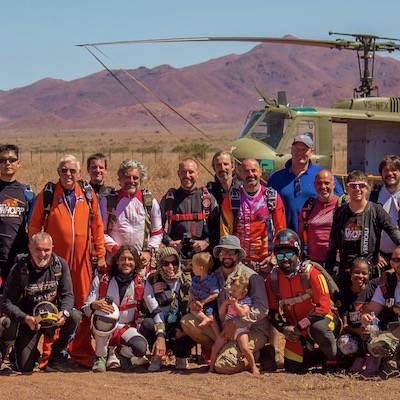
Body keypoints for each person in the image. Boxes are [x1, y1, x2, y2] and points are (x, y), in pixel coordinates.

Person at [29, 154, 106, 367]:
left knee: (82, 307)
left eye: (72, 170)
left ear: (79, 173)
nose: (68, 174)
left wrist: (100, 255)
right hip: (54, 264)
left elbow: (97, 227)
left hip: (82, 263)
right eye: (64, 170)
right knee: (52, 306)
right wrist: (38, 254)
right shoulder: (48, 195)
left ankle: (81, 352)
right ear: (58, 172)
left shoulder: (88, 195)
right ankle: (49, 355)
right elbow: (35, 226)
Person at [181, 235, 269, 374]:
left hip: (250, 330)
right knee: (187, 321)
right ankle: (223, 352)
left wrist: (238, 323)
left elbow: (262, 309)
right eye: (223, 252)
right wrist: (196, 304)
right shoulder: (215, 276)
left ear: (238, 255)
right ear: (218, 255)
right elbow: (205, 296)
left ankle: (253, 357)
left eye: (231, 252)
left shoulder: (252, 277)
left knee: (223, 366)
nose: (227, 256)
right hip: (224, 328)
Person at [1, 232, 81, 372]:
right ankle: (17, 353)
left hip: (53, 317)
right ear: (30, 248)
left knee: (74, 315)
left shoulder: (59, 264)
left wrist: (64, 312)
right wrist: (25, 318)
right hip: (30, 321)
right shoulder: (21, 267)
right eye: (38, 249)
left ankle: (56, 357)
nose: (42, 254)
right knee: (25, 367)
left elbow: (68, 295)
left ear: (52, 248)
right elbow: (6, 302)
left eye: (46, 250)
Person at [265, 229, 340, 373]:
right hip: (295, 330)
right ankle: (316, 356)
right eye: (280, 255)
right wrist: (285, 328)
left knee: (319, 329)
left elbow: (323, 308)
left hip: (322, 321)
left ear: (297, 253)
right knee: (293, 368)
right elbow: (272, 312)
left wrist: (299, 327)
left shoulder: (311, 273)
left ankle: (333, 360)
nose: (284, 259)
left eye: (288, 254)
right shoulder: (272, 279)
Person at [82, 245, 149, 372]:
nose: (126, 262)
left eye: (130, 259)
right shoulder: (101, 280)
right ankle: (100, 356)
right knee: (106, 312)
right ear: (117, 260)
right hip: (103, 327)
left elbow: (152, 308)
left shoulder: (140, 282)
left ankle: (121, 353)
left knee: (141, 348)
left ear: (135, 262)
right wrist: (94, 305)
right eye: (123, 258)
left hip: (126, 328)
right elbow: (85, 309)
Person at [326, 170, 400, 280]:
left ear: (367, 188)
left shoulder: (376, 210)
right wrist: (328, 272)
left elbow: (394, 233)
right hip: (346, 273)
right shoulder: (340, 212)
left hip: (369, 274)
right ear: (347, 188)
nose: (357, 189)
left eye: (361, 185)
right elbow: (332, 245)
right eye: (353, 185)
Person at [267, 133, 343, 232]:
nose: (300, 153)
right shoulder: (276, 177)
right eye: (297, 149)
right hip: (285, 238)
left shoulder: (323, 175)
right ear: (291, 150)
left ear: (311, 152)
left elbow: (340, 201)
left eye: (304, 150)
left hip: (313, 237)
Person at [220, 158, 286, 272]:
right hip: (240, 263)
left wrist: (273, 259)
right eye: (246, 171)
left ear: (260, 172)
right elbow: (225, 234)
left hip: (266, 263)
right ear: (240, 174)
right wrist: (230, 260)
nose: (251, 174)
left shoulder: (272, 198)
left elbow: (281, 232)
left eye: (254, 170)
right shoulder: (231, 199)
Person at [101, 159, 162, 268]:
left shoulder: (149, 201)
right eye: (127, 177)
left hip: (141, 260)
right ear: (120, 179)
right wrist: (115, 250)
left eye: (135, 178)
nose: (131, 181)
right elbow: (102, 232)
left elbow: (157, 232)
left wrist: (149, 252)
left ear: (141, 180)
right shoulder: (107, 201)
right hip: (116, 260)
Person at [160, 158, 219, 269]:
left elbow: (218, 228)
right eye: (183, 172)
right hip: (175, 258)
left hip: (202, 257)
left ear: (197, 174)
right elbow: (157, 228)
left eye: (191, 172)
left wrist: (206, 242)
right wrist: (169, 242)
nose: (187, 175)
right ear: (178, 174)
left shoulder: (207, 199)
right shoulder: (169, 199)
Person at [141, 247, 194, 371]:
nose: (171, 267)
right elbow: (149, 308)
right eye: (166, 263)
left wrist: (185, 331)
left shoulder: (187, 280)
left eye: (174, 263)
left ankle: (181, 356)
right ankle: (157, 356)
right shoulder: (152, 279)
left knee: (188, 323)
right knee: (147, 324)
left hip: (178, 324)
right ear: (160, 264)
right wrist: (160, 334)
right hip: (159, 322)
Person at [361, 246, 400, 378]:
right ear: (392, 263)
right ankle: (389, 362)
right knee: (375, 345)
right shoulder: (387, 283)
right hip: (396, 331)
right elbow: (371, 309)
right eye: (397, 260)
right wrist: (366, 316)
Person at [335, 257, 378, 375]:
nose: (360, 276)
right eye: (357, 272)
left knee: (374, 333)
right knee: (344, 342)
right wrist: (358, 331)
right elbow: (345, 326)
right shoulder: (344, 294)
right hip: (354, 333)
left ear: (369, 275)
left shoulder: (373, 289)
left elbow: (390, 275)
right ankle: (357, 358)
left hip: (372, 332)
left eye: (364, 273)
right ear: (350, 273)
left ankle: (375, 358)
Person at [209, 275, 259, 375]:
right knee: (215, 347)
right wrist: (225, 303)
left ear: (244, 292)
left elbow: (243, 313)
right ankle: (211, 367)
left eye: (235, 291)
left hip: (241, 329)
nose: (232, 293)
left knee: (244, 348)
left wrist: (235, 304)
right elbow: (221, 313)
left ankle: (254, 367)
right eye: (231, 290)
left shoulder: (246, 301)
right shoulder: (230, 299)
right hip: (227, 329)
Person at [0, 144, 34, 286]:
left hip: (18, 257)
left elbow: (33, 225)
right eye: (2, 160)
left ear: (18, 164)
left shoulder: (27, 193)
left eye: (12, 160)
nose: (7, 163)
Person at [298, 170, 346, 264]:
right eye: (319, 183)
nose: (323, 187)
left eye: (327, 183)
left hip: (336, 262)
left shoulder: (342, 205)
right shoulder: (308, 206)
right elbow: (300, 236)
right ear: (315, 185)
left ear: (334, 184)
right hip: (313, 261)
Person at [369, 155, 400, 268]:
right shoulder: (373, 196)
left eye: (394, 170)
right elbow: (367, 227)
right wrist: (374, 253)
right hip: (378, 258)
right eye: (386, 170)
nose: (390, 173)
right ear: (381, 173)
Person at [189, 252, 219, 336]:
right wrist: (192, 299)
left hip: (208, 303)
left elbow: (215, 294)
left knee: (211, 317)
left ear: (201, 268)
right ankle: (204, 318)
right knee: (192, 310)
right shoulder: (195, 279)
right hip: (198, 302)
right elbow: (191, 290)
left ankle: (218, 336)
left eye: (193, 266)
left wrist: (203, 302)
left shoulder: (211, 280)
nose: (192, 268)